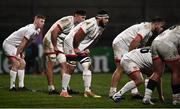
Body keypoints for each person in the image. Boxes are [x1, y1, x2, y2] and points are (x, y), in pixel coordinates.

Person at [109, 17, 165, 98]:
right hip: (122, 43)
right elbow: (136, 40)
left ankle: (134, 93)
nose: (162, 29)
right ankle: (112, 92)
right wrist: (131, 55)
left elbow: (140, 45)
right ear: (157, 24)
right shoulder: (147, 27)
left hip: (125, 43)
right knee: (120, 68)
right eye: (161, 26)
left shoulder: (149, 32)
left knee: (133, 67)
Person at [59, 10, 109, 98]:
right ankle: (63, 91)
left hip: (79, 45)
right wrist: (75, 48)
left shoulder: (102, 26)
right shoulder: (90, 23)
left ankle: (87, 91)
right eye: (105, 18)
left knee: (87, 65)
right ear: (99, 18)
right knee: (71, 66)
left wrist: (87, 48)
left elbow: (96, 38)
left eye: (108, 18)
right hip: (71, 42)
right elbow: (78, 35)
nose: (107, 20)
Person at [43, 10, 86, 95]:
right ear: (76, 15)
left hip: (59, 42)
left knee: (65, 65)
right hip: (50, 40)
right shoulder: (68, 20)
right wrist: (55, 46)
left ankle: (65, 88)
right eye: (82, 17)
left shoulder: (77, 25)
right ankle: (51, 88)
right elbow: (54, 31)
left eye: (85, 18)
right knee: (51, 63)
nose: (84, 20)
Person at [2, 14, 46, 91]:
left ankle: (21, 86)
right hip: (9, 44)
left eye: (44, 21)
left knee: (23, 63)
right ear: (36, 20)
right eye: (41, 21)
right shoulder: (30, 29)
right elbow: (23, 43)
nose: (43, 23)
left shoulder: (37, 30)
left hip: (15, 46)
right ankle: (12, 87)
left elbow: (28, 42)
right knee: (16, 63)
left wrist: (22, 51)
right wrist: (16, 54)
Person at [143, 25, 180, 105]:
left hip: (155, 43)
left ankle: (146, 98)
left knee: (157, 72)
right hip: (166, 45)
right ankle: (176, 99)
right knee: (176, 71)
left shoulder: (176, 27)